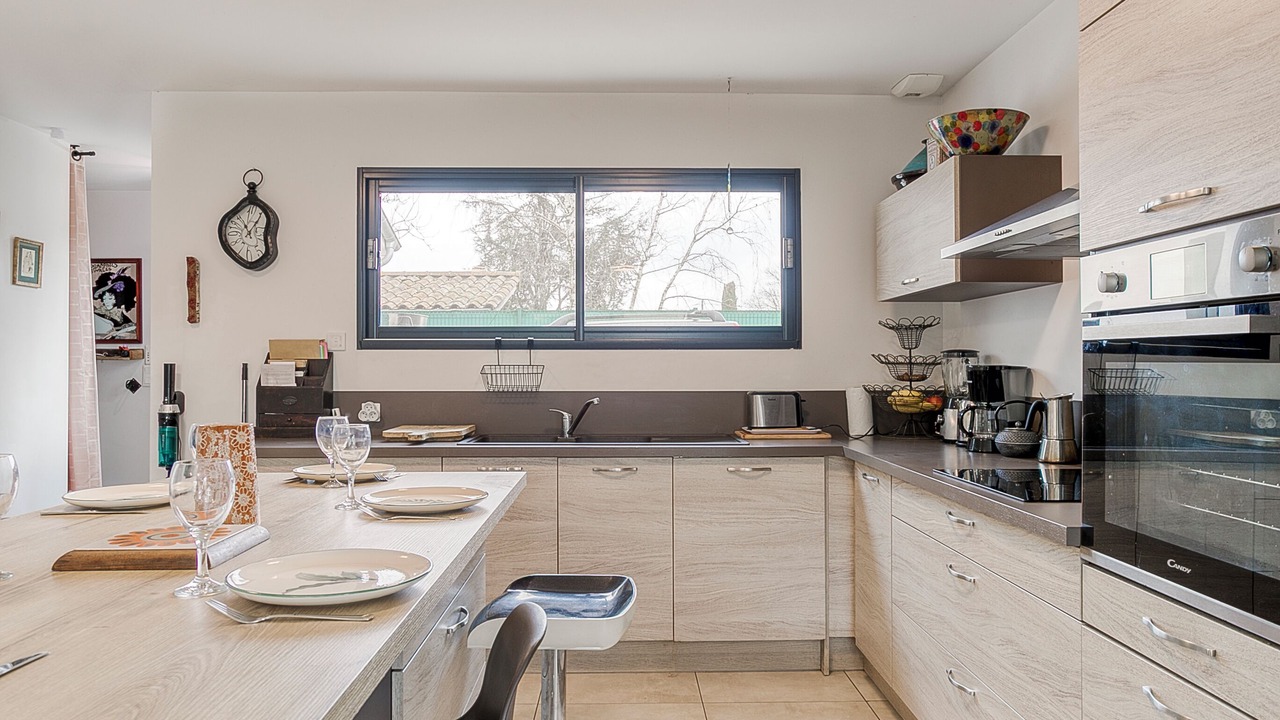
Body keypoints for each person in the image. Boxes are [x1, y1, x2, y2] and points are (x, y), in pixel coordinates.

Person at [93, 269, 138, 339]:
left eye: (110, 299)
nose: (106, 302)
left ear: (116, 300)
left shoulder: (121, 316)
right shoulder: (97, 313)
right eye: (104, 299)